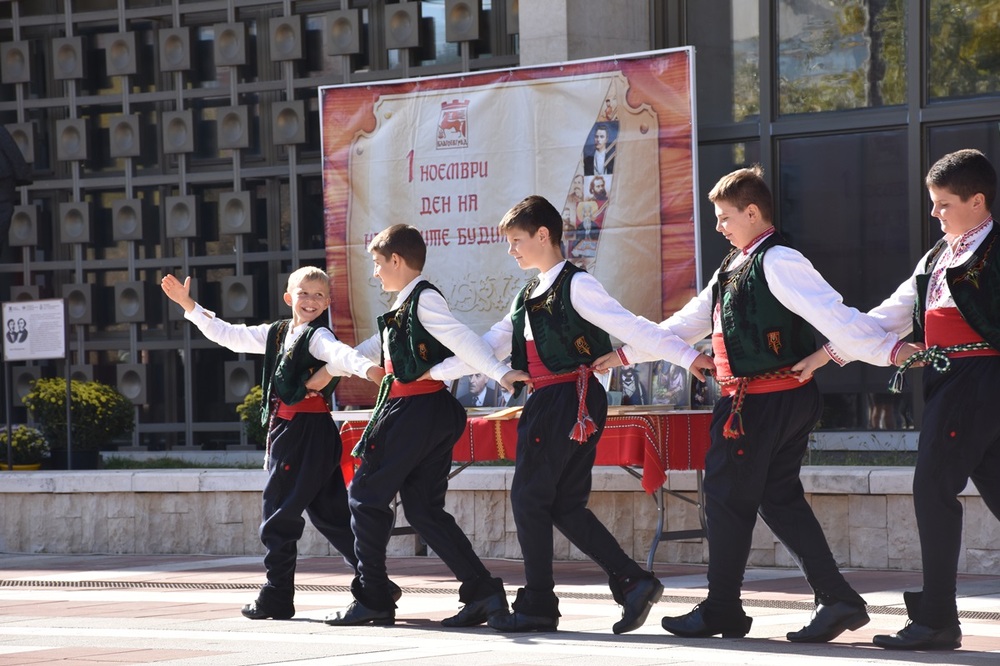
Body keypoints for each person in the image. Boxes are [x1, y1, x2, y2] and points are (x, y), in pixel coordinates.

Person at [594, 166, 920, 643]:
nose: (720, 226)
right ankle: (837, 598)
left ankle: (723, 608)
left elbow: (835, 316)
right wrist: (624, 354)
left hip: (763, 403)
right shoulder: (734, 265)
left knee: (726, 499)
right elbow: (685, 326)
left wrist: (887, 351)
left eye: (726, 217)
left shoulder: (779, 261)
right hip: (769, 401)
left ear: (752, 212)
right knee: (777, 497)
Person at [437, 195, 714, 634]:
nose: (511, 250)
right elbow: (489, 343)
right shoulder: (528, 293)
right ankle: (632, 580)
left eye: (516, 241)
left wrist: (686, 356)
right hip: (556, 401)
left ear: (543, 235)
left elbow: (634, 327)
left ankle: (538, 605)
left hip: (567, 399)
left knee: (528, 498)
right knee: (563, 505)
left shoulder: (577, 285)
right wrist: (432, 374)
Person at [796, 148, 999, 651]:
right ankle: (936, 617)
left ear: (977, 201)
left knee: (931, 488)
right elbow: (886, 316)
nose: (935, 214)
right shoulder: (936, 257)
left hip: (980, 381)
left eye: (943, 204)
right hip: (952, 382)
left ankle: (936, 619)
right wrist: (825, 355)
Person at [323, 223, 530, 628]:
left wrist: (498, 373)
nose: (376, 273)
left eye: (379, 264)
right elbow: (365, 352)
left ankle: (374, 596)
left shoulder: (423, 300)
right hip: (427, 413)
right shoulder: (404, 307)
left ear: (397, 260)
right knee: (421, 509)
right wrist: (319, 358)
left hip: (415, 413)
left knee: (365, 497)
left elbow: (466, 342)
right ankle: (483, 592)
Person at [160, 267, 385, 621]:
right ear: (288, 297)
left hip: (302, 433)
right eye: (303, 293)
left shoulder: (316, 336)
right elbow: (229, 335)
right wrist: (190, 305)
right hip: (306, 433)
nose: (310, 301)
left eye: (318, 295)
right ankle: (377, 588)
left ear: (327, 302)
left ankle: (278, 595)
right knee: (332, 516)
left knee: (278, 513)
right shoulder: (279, 333)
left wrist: (370, 371)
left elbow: (340, 355)